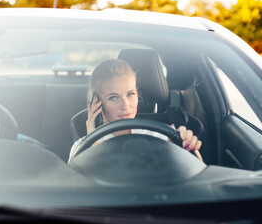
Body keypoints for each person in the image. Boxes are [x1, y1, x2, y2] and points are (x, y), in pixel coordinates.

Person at [68, 59, 202, 162]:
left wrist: (185, 147)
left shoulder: (160, 135)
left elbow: (197, 177)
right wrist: (92, 145)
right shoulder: (81, 147)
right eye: (113, 97)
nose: (125, 106)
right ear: (97, 102)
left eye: (130, 94)